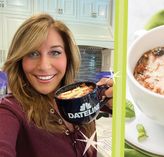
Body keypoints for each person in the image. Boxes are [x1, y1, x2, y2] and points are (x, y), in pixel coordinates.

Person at [0, 13, 113, 157]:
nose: (44, 66)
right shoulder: (10, 110)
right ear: (20, 60)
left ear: (68, 57)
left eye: (55, 52)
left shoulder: (82, 96)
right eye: (32, 53)